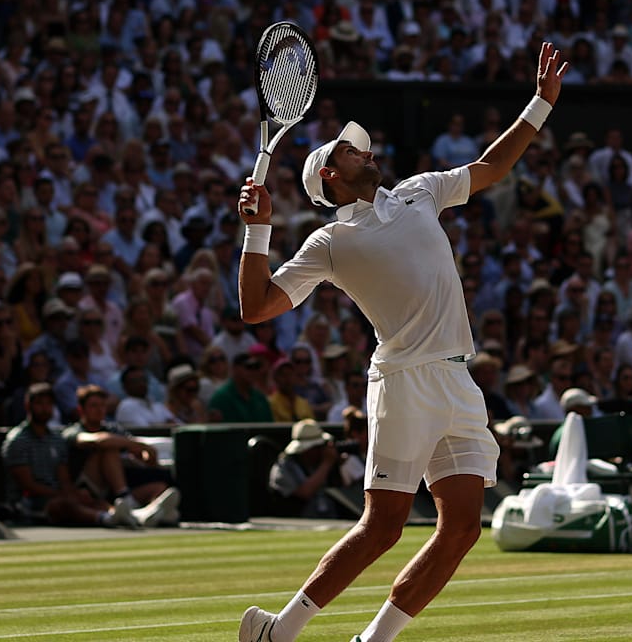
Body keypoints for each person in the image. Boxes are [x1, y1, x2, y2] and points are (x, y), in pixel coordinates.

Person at [234, 40, 567, 642]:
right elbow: (256, 307)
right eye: (352, 150)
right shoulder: (328, 241)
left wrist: (539, 105)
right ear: (331, 175)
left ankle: (374, 640)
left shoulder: (419, 191)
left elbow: (491, 168)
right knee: (383, 526)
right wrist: (257, 233)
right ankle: (280, 632)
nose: (368, 150)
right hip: (404, 382)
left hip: (458, 381)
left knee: (463, 526)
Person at [1, 383, 136, 528]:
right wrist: (62, 494)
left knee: (88, 499)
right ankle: (105, 519)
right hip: (28, 503)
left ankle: (126, 515)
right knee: (62, 504)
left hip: (57, 494)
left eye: (48, 404)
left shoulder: (56, 439)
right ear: (28, 406)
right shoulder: (17, 440)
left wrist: (73, 493)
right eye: (39, 404)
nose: (44, 409)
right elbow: (27, 486)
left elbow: (63, 478)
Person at [60, 384, 180, 527]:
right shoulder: (72, 431)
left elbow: (141, 455)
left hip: (114, 492)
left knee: (159, 488)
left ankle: (141, 513)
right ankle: (132, 505)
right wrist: (142, 446)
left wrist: (145, 456)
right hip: (87, 493)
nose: (99, 410)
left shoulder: (114, 429)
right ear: (81, 409)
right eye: (94, 406)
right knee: (109, 449)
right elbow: (100, 440)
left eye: (102, 405)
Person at [269, 418, 347, 519]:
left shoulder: (321, 462)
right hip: (294, 523)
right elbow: (305, 492)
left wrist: (341, 465)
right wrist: (326, 464)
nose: (322, 450)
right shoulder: (284, 467)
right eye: (317, 447)